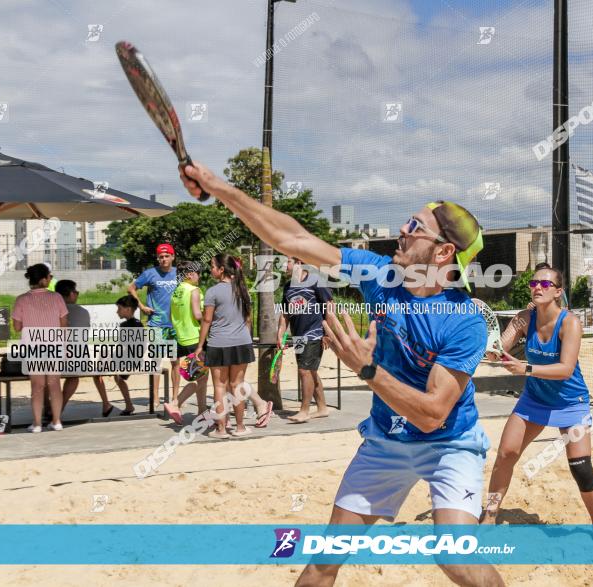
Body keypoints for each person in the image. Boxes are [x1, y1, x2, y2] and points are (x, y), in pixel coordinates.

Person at [180, 159, 503, 587]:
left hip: (449, 444)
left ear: (444, 252)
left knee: (457, 559)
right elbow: (293, 239)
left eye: (415, 225)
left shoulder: (464, 321)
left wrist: (366, 369)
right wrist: (218, 187)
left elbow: (431, 414)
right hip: (387, 440)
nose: (402, 230)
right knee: (322, 562)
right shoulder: (380, 274)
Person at [480, 265, 593, 525]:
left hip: (571, 402)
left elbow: (565, 369)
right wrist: (493, 350)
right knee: (505, 456)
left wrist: (525, 368)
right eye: (534, 283)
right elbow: (497, 350)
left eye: (545, 284)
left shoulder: (570, 322)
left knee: (581, 467)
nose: (538, 287)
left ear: (558, 292)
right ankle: (490, 514)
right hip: (534, 399)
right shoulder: (523, 319)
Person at [195, 253, 271, 439]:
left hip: (218, 343)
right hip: (241, 343)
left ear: (222, 270)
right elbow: (247, 320)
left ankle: (221, 429)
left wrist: (199, 346)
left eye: (213, 266)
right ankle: (239, 427)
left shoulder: (212, 292)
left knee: (219, 387)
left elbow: (207, 320)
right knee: (237, 385)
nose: (211, 269)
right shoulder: (242, 290)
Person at [55, 280, 134, 417]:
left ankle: (51, 408)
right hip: (77, 359)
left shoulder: (51, 311)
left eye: (119, 309)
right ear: (70, 294)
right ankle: (109, 404)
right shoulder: (82, 312)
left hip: (53, 357)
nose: (77, 295)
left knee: (97, 372)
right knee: (82, 375)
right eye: (76, 292)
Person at [12, 263, 68, 432]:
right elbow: (64, 324)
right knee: (54, 385)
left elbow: (16, 327)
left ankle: (37, 424)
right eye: (49, 276)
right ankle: (57, 421)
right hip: (54, 345)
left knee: (37, 386)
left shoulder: (21, 299)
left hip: (33, 347)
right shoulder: (57, 297)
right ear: (44, 279)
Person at [277, 257, 333, 423]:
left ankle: (304, 411)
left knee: (304, 371)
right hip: (298, 336)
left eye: (287, 261)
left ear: (298, 263)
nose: (284, 265)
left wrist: (328, 333)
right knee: (310, 371)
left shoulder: (315, 280)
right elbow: (285, 314)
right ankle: (322, 408)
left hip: (314, 332)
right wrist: (280, 334)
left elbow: (329, 305)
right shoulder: (288, 287)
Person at [128, 243, 179, 408]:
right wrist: (141, 306)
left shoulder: (179, 273)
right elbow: (131, 288)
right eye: (161, 257)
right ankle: (156, 397)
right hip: (156, 324)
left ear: (172, 256)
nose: (163, 259)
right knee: (156, 361)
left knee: (175, 361)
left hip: (173, 325)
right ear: (158, 258)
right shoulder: (150, 273)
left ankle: (175, 397)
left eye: (166, 256)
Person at [164, 261, 208, 424]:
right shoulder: (194, 290)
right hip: (195, 338)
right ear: (190, 275)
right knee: (200, 378)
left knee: (198, 376)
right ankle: (177, 403)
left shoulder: (175, 291)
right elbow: (198, 315)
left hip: (180, 338)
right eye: (198, 274)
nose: (199, 277)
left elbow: (170, 316)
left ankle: (202, 410)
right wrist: (211, 319)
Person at [112, 295, 141, 410]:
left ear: (128, 309)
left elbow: (125, 346)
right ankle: (128, 405)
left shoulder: (128, 325)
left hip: (131, 360)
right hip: (131, 358)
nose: (117, 312)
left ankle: (129, 405)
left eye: (119, 309)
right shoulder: (137, 324)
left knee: (115, 375)